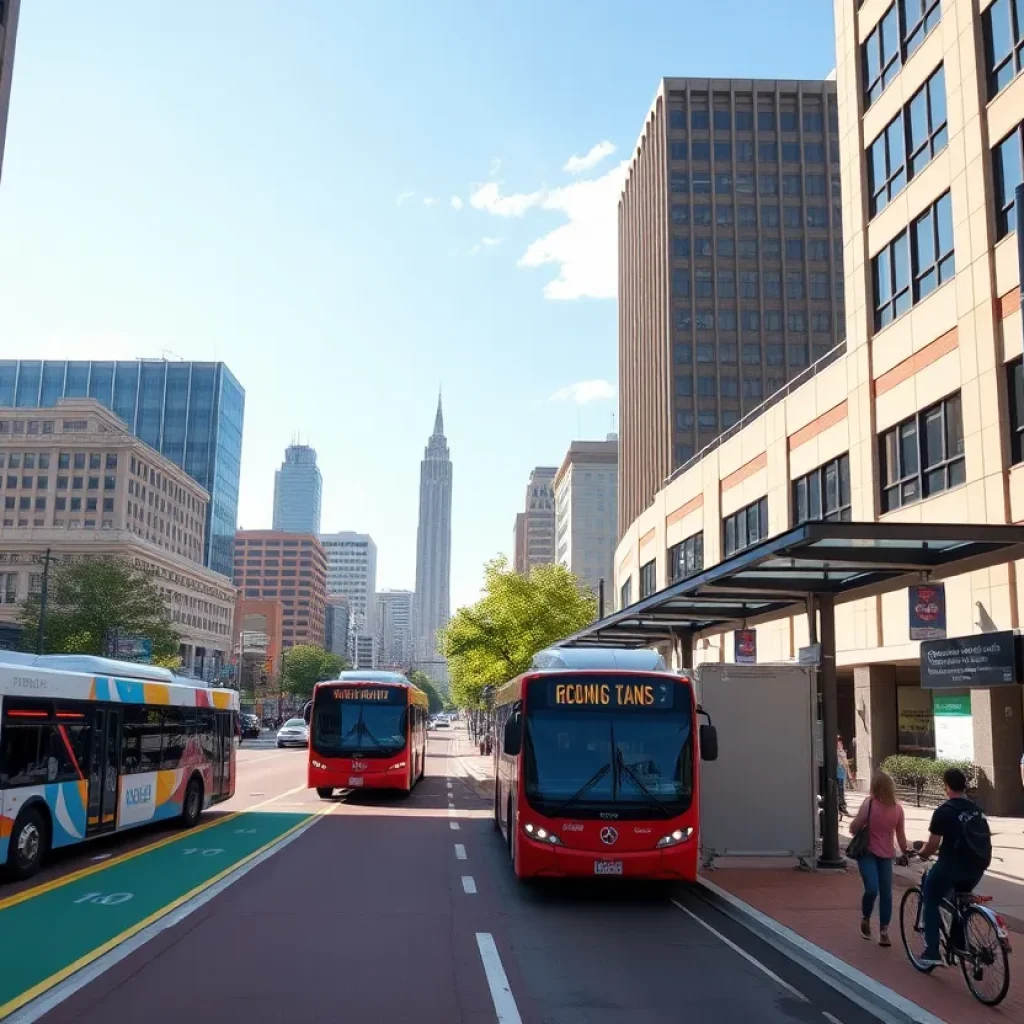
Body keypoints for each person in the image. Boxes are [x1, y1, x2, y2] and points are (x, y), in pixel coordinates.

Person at [916, 767, 993, 966]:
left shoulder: (944, 811)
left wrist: (921, 853)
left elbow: (932, 846)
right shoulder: (977, 810)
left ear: (947, 786)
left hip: (951, 866)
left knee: (931, 896)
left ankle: (932, 952)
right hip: (977, 866)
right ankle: (960, 944)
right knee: (960, 899)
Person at [848, 770, 909, 946]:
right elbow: (901, 835)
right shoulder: (871, 804)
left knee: (884, 892)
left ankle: (884, 930)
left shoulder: (895, 808)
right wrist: (906, 849)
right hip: (867, 852)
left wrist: (905, 850)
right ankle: (866, 918)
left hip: (886, 854)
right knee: (873, 888)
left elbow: (854, 827)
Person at [836, 736, 851, 817]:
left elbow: (846, 764)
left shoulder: (842, 752)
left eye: (840, 741)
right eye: (838, 741)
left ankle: (842, 806)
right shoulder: (836, 752)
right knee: (840, 791)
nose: (840, 743)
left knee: (842, 791)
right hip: (838, 775)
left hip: (842, 775)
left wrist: (849, 774)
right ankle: (841, 807)